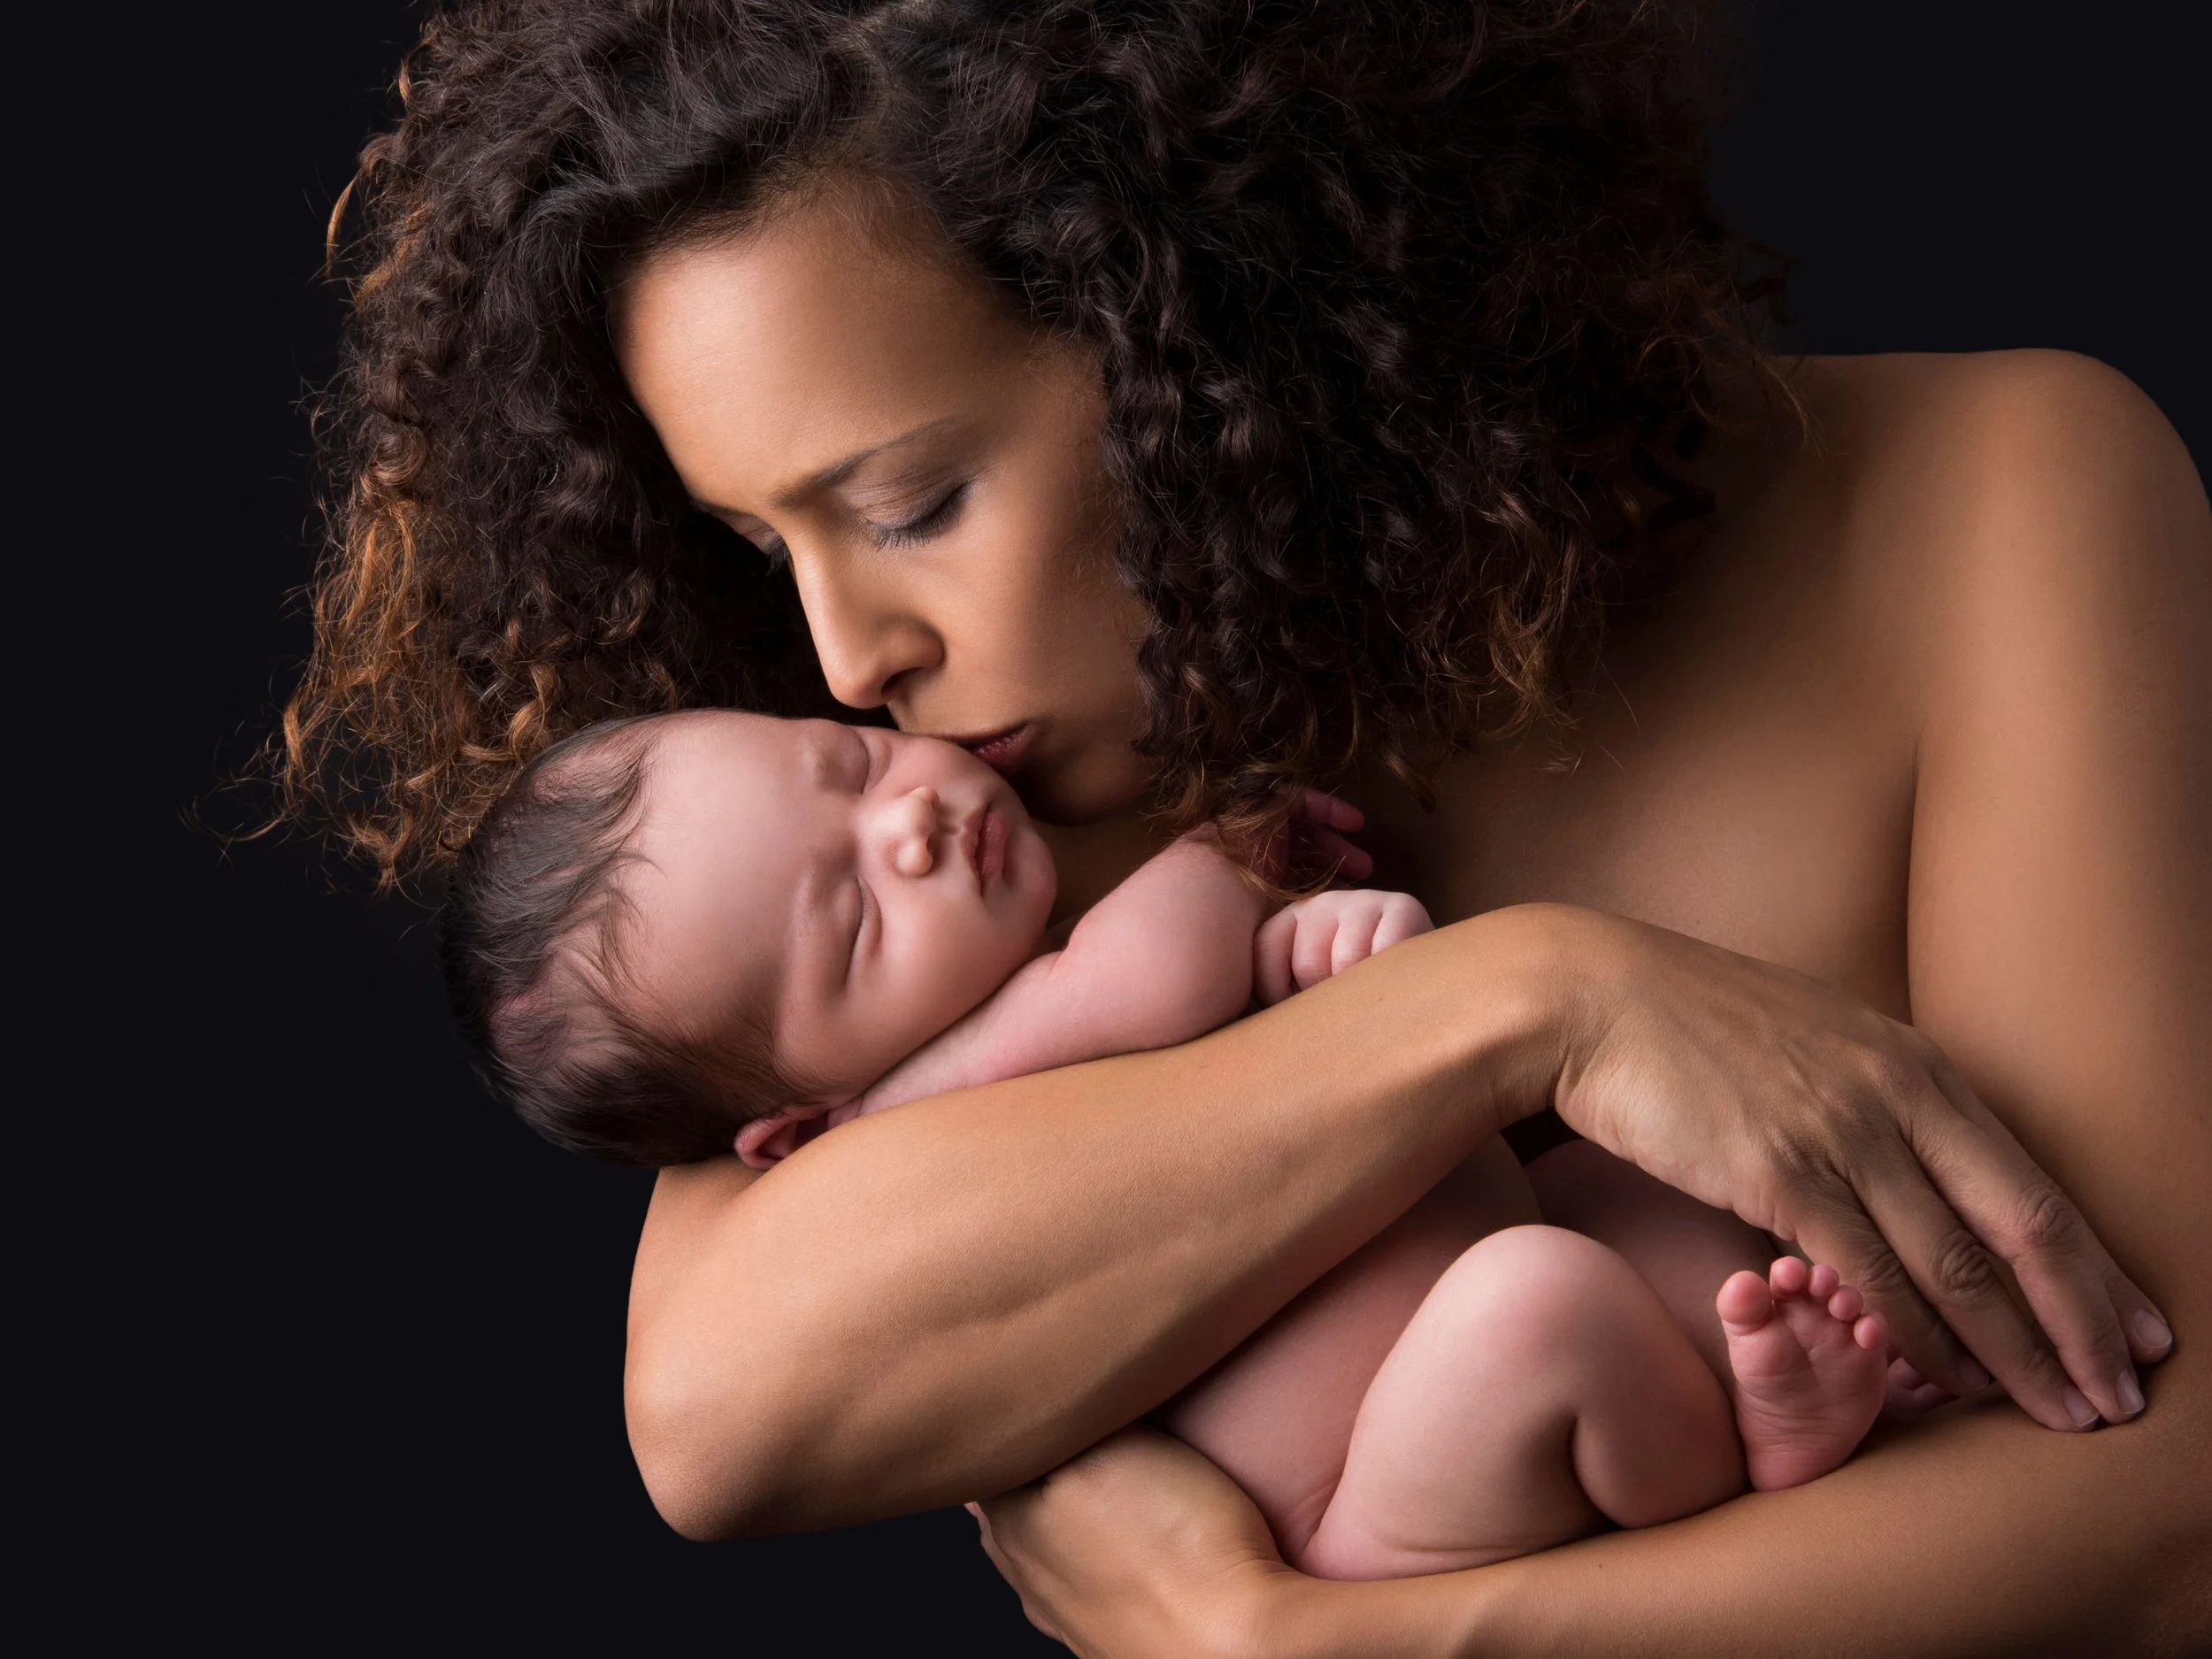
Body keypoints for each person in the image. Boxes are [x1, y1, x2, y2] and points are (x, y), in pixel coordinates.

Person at [282, 2, 2208, 1650]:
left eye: (907, 502)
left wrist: (1312, 1643)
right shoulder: (972, 821)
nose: (846, 661)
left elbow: (2166, 1517)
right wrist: (1540, 1006)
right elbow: (723, 1407)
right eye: (749, 539)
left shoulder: (1992, 504)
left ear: (1206, 322)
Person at [442, 706, 1894, 1578]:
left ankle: (1754, 1384)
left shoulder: (1005, 1008)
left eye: (854, 762)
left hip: (1460, 1347)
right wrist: (1231, 842)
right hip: (1380, 1502)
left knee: (1644, 1198)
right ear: (792, 1120)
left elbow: (1256, 1048)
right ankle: (1750, 1460)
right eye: (855, 921)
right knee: (1540, 1299)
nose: (913, 826)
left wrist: (1323, 952)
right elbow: (1158, 978)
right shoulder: (930, 1100)